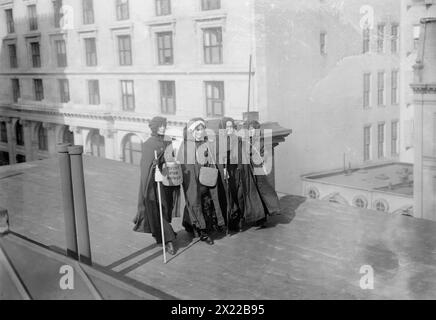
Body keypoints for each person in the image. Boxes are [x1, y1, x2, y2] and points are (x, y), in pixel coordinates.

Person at [133, 116, 179, 255]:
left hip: (167, 180)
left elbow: (171, 158)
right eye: (160, 126)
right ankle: (168, 239)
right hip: (154, 184)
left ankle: (161, 237)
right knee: (156, 209)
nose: (163, 128)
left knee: (164, 209)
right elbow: (145, 167)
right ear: (154, 128)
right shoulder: (148, 144)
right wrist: (154, 170)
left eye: (164, 125)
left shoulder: (168, 140)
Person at [177, 118, 228, 245]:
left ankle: (199, 225)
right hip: (194, 182)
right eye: (197, 129)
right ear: (192, 131)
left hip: (206, 179)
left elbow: (211, 159)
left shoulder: (206, 143)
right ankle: (202, 232)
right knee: (195, 203)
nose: (201, 132)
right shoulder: (186, 145)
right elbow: (184, 166)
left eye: (202, 129)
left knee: (207, 203)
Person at [240, 120, 281, 227]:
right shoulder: (244, 141)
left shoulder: (260, 141)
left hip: (258, 169)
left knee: (262, 191)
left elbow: (264, 155)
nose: (251, 132)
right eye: (249, 130)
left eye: (253, 129)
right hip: (248, 170)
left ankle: (264, 216)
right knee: (253, 193)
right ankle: (258, 216)